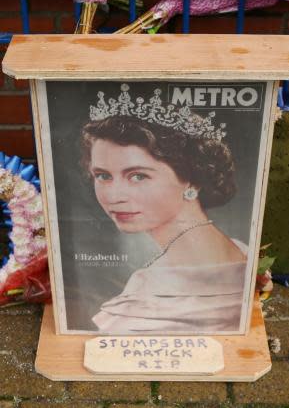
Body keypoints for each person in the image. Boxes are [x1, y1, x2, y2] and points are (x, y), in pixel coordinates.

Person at [80, 83, 247, 333]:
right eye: (103, 176)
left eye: (137, 176)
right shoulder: (239, 250)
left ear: (192, 177)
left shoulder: (148, 292)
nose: (114, 196)